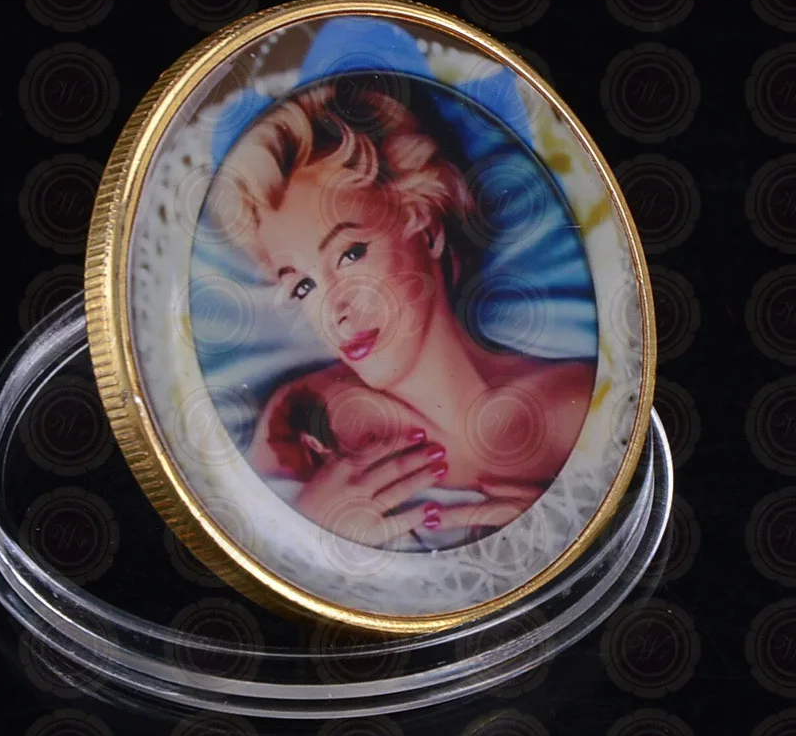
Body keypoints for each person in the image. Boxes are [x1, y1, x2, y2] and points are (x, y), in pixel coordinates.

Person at [209, 79, 595, 551]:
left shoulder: (573, 403)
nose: (336, 310)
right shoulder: (299, 418)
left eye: (351, 254)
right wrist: (314, 526)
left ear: (426, 226)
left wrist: (553, 544)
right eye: (303, 286)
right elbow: (267, 552)